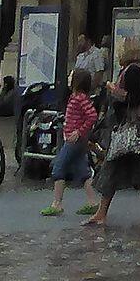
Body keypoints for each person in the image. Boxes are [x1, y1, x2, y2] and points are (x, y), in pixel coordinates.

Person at [87, 36, 140, 229]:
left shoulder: (133, 71)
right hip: (130, 129)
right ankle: (101, 213)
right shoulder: (133, 70)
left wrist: (113, 90)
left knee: (136, 174)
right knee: (113, 170)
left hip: (132, 130)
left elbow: (134, 98)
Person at [41, 69, 100, 217]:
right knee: (82, 170)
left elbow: (92, 116)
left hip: (75, 141)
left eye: (71, 76)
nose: (68, 77)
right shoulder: (76, 97)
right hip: (77, 140)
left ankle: (57, 204)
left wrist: (79, 131)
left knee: (59, 166)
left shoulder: (78, 98)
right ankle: (93, 202)